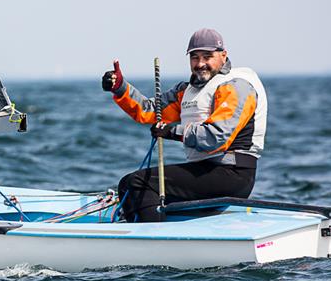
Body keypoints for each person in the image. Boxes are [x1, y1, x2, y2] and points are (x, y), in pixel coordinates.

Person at [102, 28, 267, 222]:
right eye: (194, 57)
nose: (200, 64)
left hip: (232, 175)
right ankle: (155, 227)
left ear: (223, 56)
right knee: (137, 189)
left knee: (135, 184)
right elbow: (150, 111)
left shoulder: (237, 86)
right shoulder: (187, 90)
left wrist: (172, 131)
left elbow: (216, 137)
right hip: (205, 172)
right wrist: (120, 87)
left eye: (207, 56)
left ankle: (150, 242)